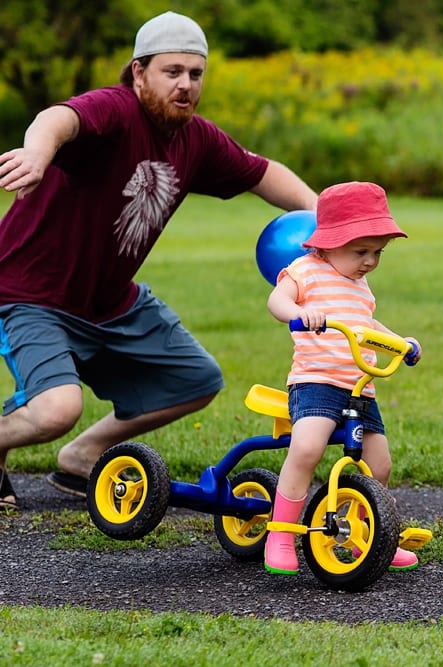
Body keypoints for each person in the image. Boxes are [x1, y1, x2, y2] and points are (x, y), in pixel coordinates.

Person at [0, 11, 318, 511]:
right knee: (57, 408)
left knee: (196, 380)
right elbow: (57, 119)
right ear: (138, 72)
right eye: (172, 72)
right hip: (30, 294)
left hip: (110, 303)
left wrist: (322, 214)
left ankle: (83, 456)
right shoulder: (115, 111)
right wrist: (37, 154)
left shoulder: (197, 140)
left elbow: (261, 172)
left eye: (195, 74)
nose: (186, 85)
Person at [263, 181, 422, 574]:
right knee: (307, 448)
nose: (369, 261)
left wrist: (399, 342)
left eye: (377, 253)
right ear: (328, 243)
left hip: (359, 389)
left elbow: (367, 325)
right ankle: (281, 533)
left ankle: (371, 536)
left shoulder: (360, 286)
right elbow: (276, 299)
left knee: (379, 463)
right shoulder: (306, 270)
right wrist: (299, 314)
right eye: (360, 251)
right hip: (317, 382)